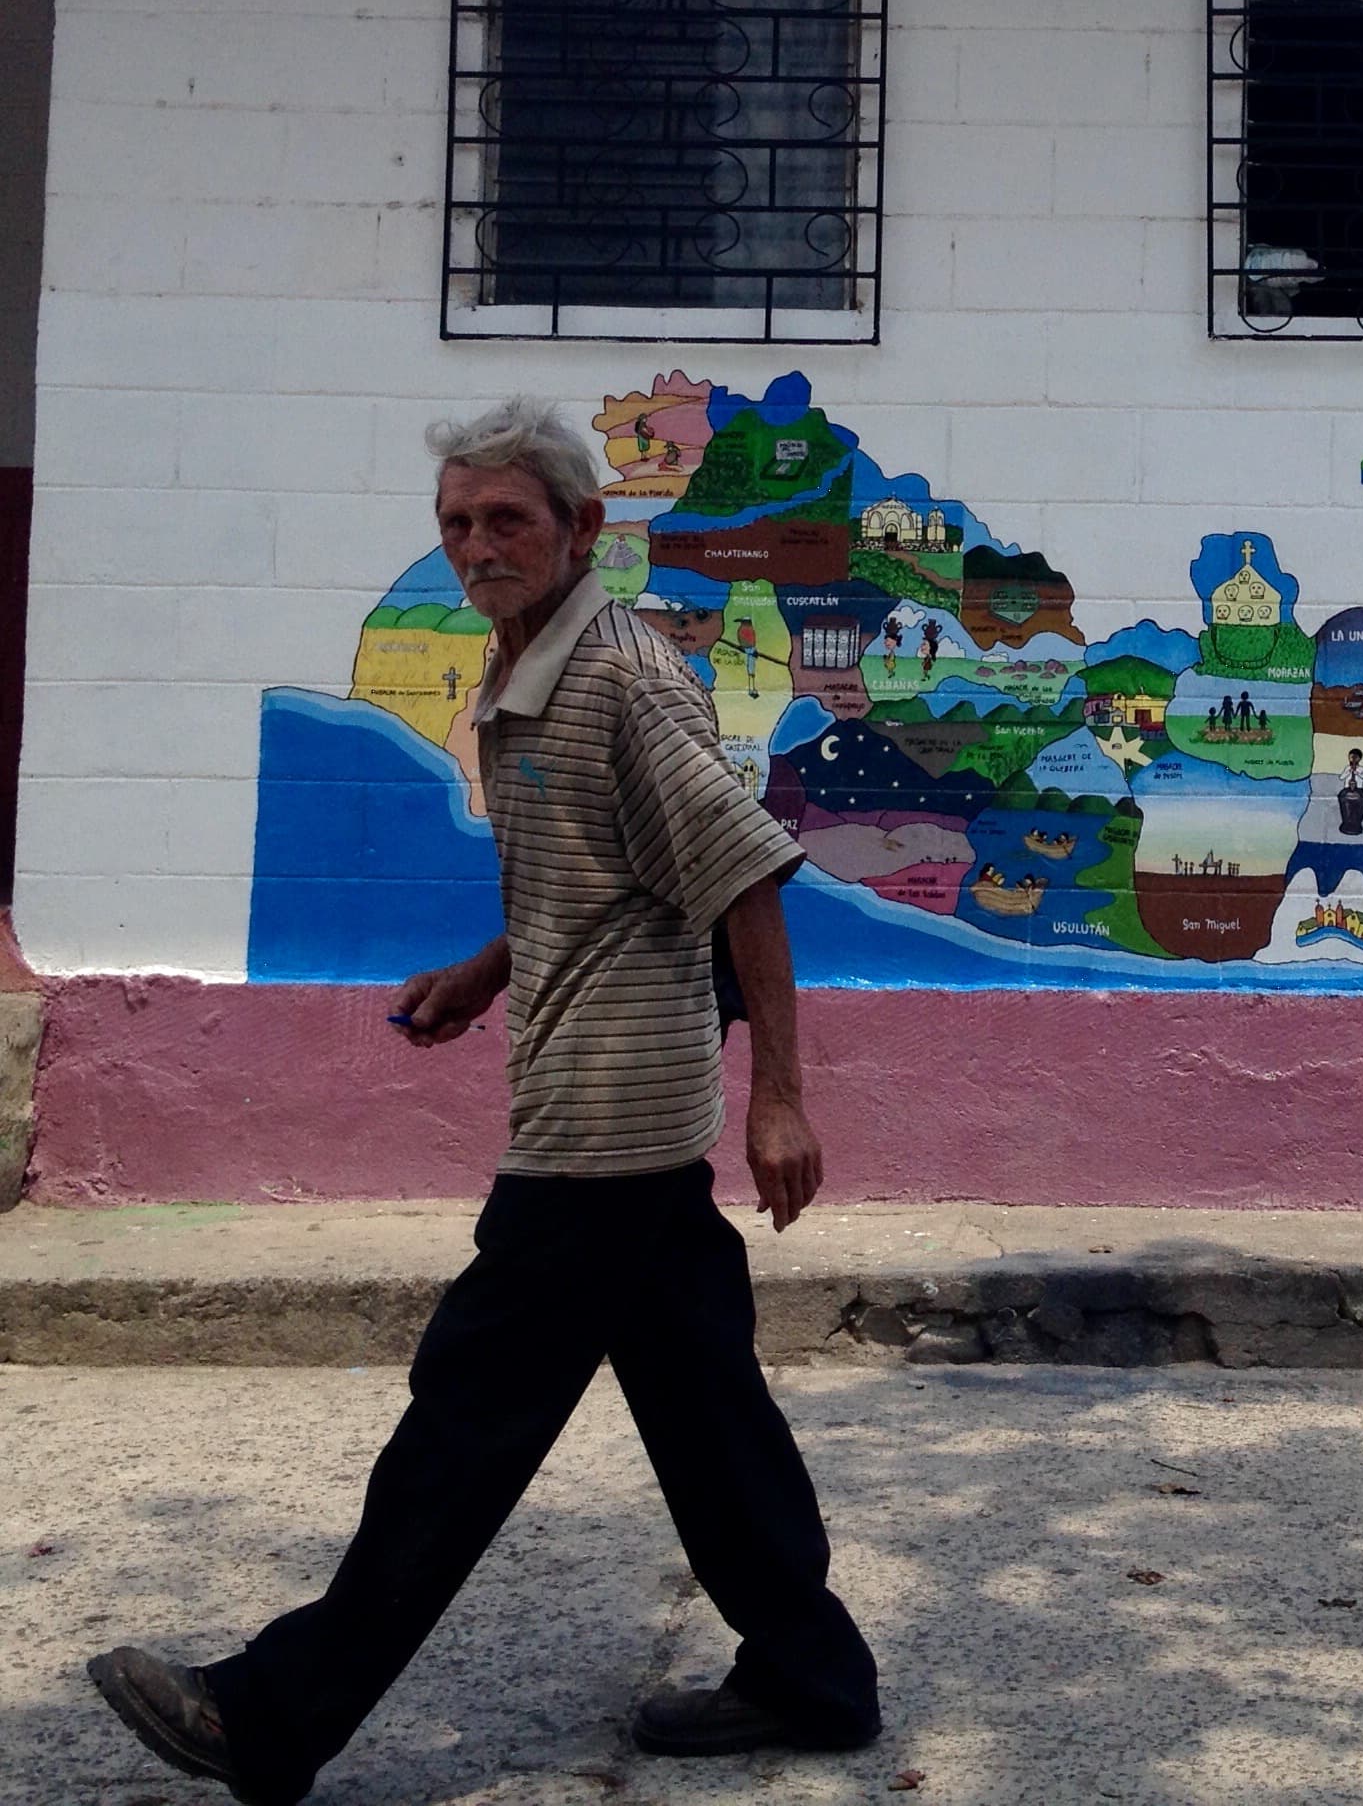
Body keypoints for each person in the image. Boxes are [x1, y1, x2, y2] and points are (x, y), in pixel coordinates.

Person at [89, 397, 879, 1804]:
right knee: (707, 1407)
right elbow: (610, 867)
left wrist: (782, 1102)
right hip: (604, 1103)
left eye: (505, 518)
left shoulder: (617, 680)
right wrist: (487, 964)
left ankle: (270, 1715)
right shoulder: (529, 668)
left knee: (464, 1419)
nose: (474, 546)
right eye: (456, 523)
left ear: (583, 528)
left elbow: (743, 871)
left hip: (606, 1119)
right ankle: (812, 1677)